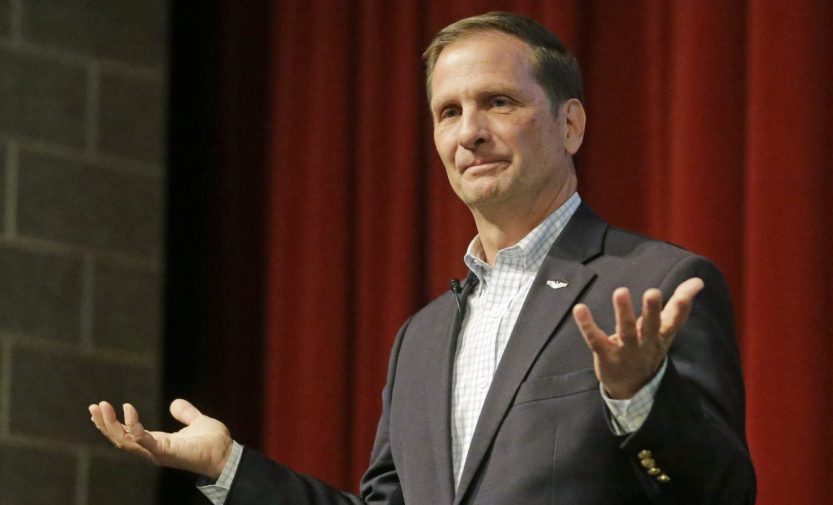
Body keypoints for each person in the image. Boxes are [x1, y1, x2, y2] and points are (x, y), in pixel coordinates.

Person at [89, 11, 755, 504]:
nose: (471, 131)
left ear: (570, 124)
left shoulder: (654, 287)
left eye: (499, 101)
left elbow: (720, 492)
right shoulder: (422, 338)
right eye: (448, 111)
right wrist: (231, 466)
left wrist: (639, 396)